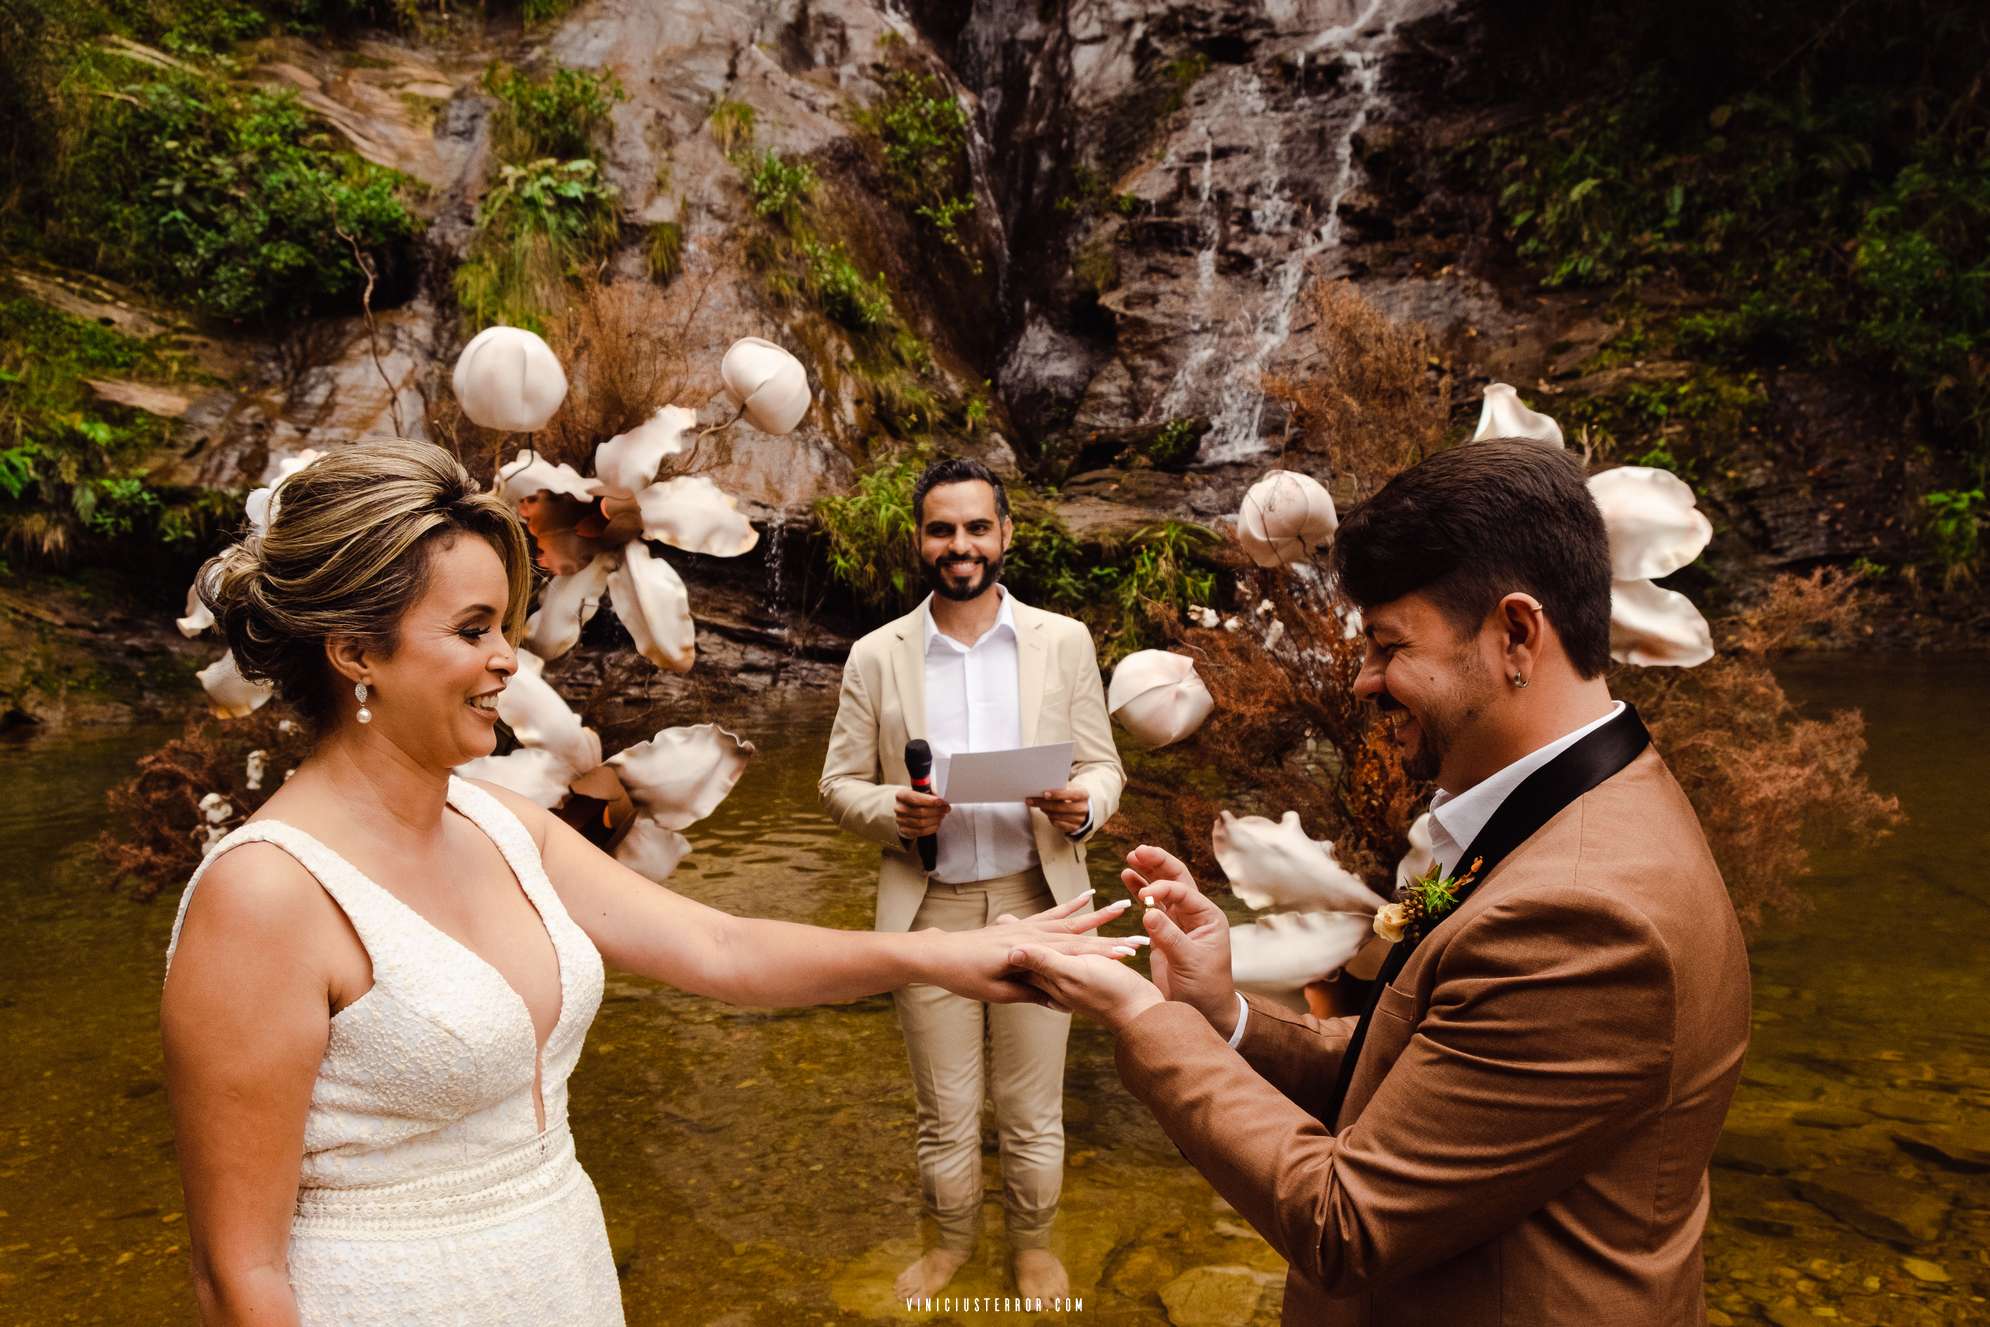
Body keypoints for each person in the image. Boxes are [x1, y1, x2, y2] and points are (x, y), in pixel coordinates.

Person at [159, 440, 1136, 1327]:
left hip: (562, 1280)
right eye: (470, 629)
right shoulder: (264, 896)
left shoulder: (507, 828)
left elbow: (720, 947)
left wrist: (953, 954)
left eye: (506, 622)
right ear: (356, 652)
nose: (509, 658)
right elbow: (235, 1272)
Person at [1008, 440, 1752, 1325]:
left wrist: (1148, 1022)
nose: (1362, 681)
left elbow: (1345, 1222)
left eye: (1389, 646)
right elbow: (1428, 1071)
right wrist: (1224, 1017)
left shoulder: (1587, 917)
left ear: (1517, 633)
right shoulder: (1582, 802)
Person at [818, 457, 1126, 1302]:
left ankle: (1032, 1247)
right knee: (945, 1111)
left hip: (1040, 898)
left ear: (1006, 535)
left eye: (977, 527)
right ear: (920, 541)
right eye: (942, 528)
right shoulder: (876, 655)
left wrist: (1081, 807)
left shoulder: (1063, 640)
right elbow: (836, 782)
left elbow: (1104, 765)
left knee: (1033, 1109)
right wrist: (893, 810)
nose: (961, 545)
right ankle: (950, 1245)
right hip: (931, 911)